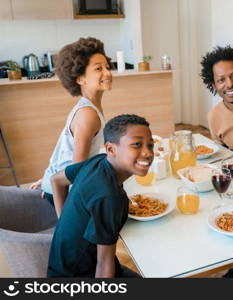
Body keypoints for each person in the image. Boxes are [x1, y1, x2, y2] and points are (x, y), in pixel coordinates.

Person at [47, 114, 154, 277]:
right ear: (111, 149)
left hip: (62, 266)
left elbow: (56, 180)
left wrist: (64, 223)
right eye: (137, 145)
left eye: (150, 145)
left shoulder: (98, 161)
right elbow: (104, 264)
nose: (147, 153)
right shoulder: (110, 197)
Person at [32, 37, 112, 207]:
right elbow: (77, 170)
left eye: (107, 67)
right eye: (98, 69)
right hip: (62, 192)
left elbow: (64, 150)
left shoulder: (90, 107)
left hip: (58, 182)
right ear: (80, 79)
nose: (107, 72)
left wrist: (47, 177)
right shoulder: (87, 114)